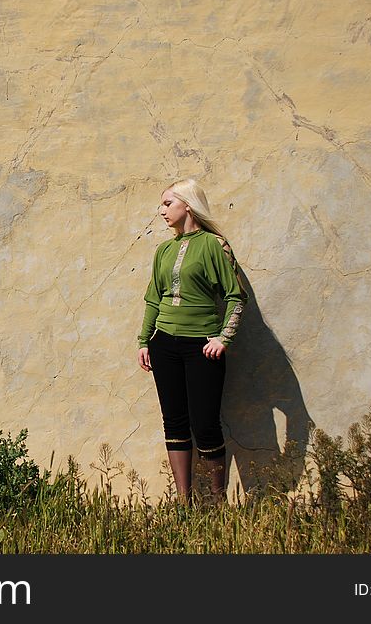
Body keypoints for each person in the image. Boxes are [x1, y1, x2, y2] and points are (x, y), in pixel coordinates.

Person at [137, 178, 247, 501]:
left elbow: (236, 296)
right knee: (174, 422)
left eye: (167, 204)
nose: (161, 212)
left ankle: (216, 502)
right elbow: (153, 300)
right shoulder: (164, 250)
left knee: (206, 424)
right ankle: (184, 503)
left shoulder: (215, 245)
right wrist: (144, 341)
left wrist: (223, 339)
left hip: (202, 347)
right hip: (164, 345)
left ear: (188, 204)